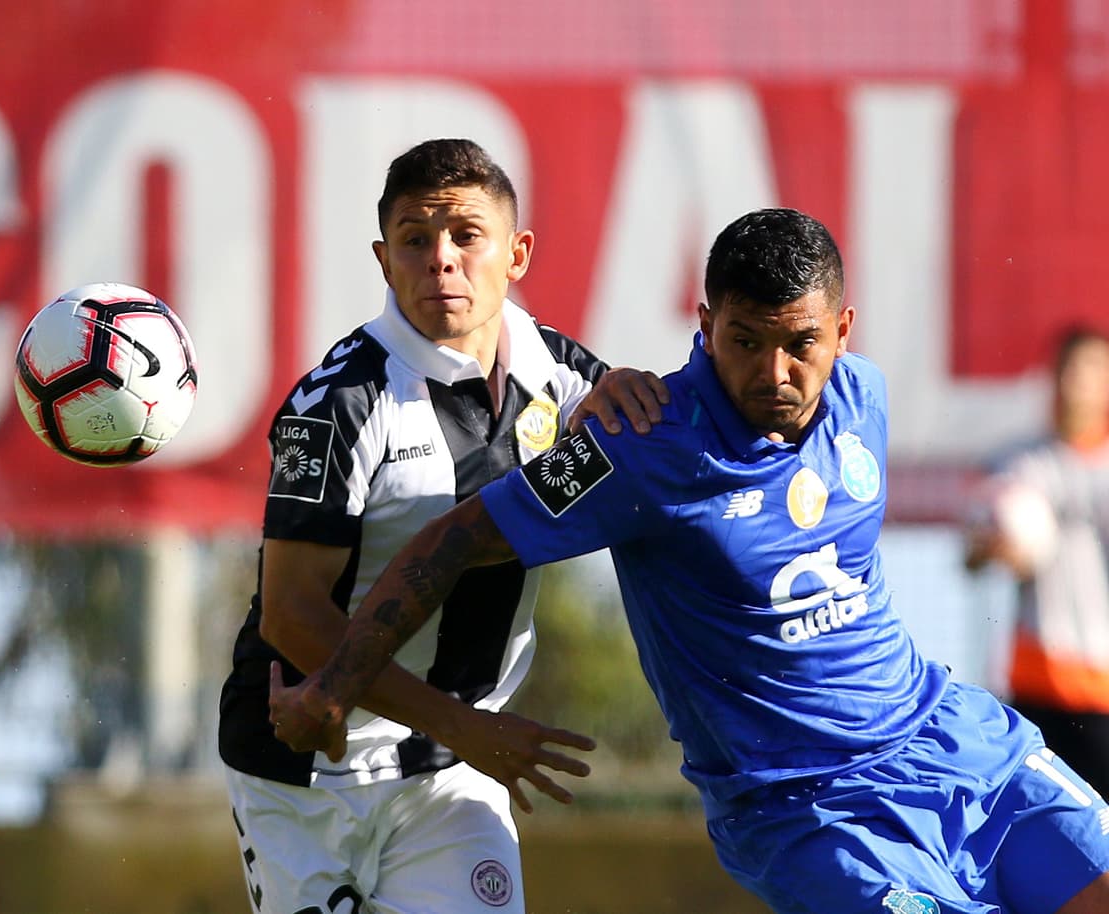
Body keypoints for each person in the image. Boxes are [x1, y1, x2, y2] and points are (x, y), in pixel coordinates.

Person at [271, 208, 1109, 914]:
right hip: (811, 813)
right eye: (744, 341)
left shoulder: (866, 397)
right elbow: (453, 539)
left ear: (842, 332)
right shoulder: (635, 446)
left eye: (801, 345)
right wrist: (334, 686)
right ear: (704, 326)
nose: (773, 373)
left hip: (959, 745)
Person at [217, 137, 666, 914]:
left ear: (517, 252)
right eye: (415, 240)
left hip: (447, 782)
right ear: (384, 259)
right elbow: (292, 615)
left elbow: (623, 479)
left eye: (466, 235)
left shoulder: (562, 379)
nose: (441, 260)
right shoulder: (339, 404)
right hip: (303, 774)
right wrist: (466, 728)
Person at [964, 326, 1109, 799]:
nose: (1077, 382)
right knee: (1041, 830)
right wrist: (994, 548)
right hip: (1034, 682)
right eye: (1068, 369)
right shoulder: (1017, 464)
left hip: (1102, 687)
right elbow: (970, 556)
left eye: (1090, 371)